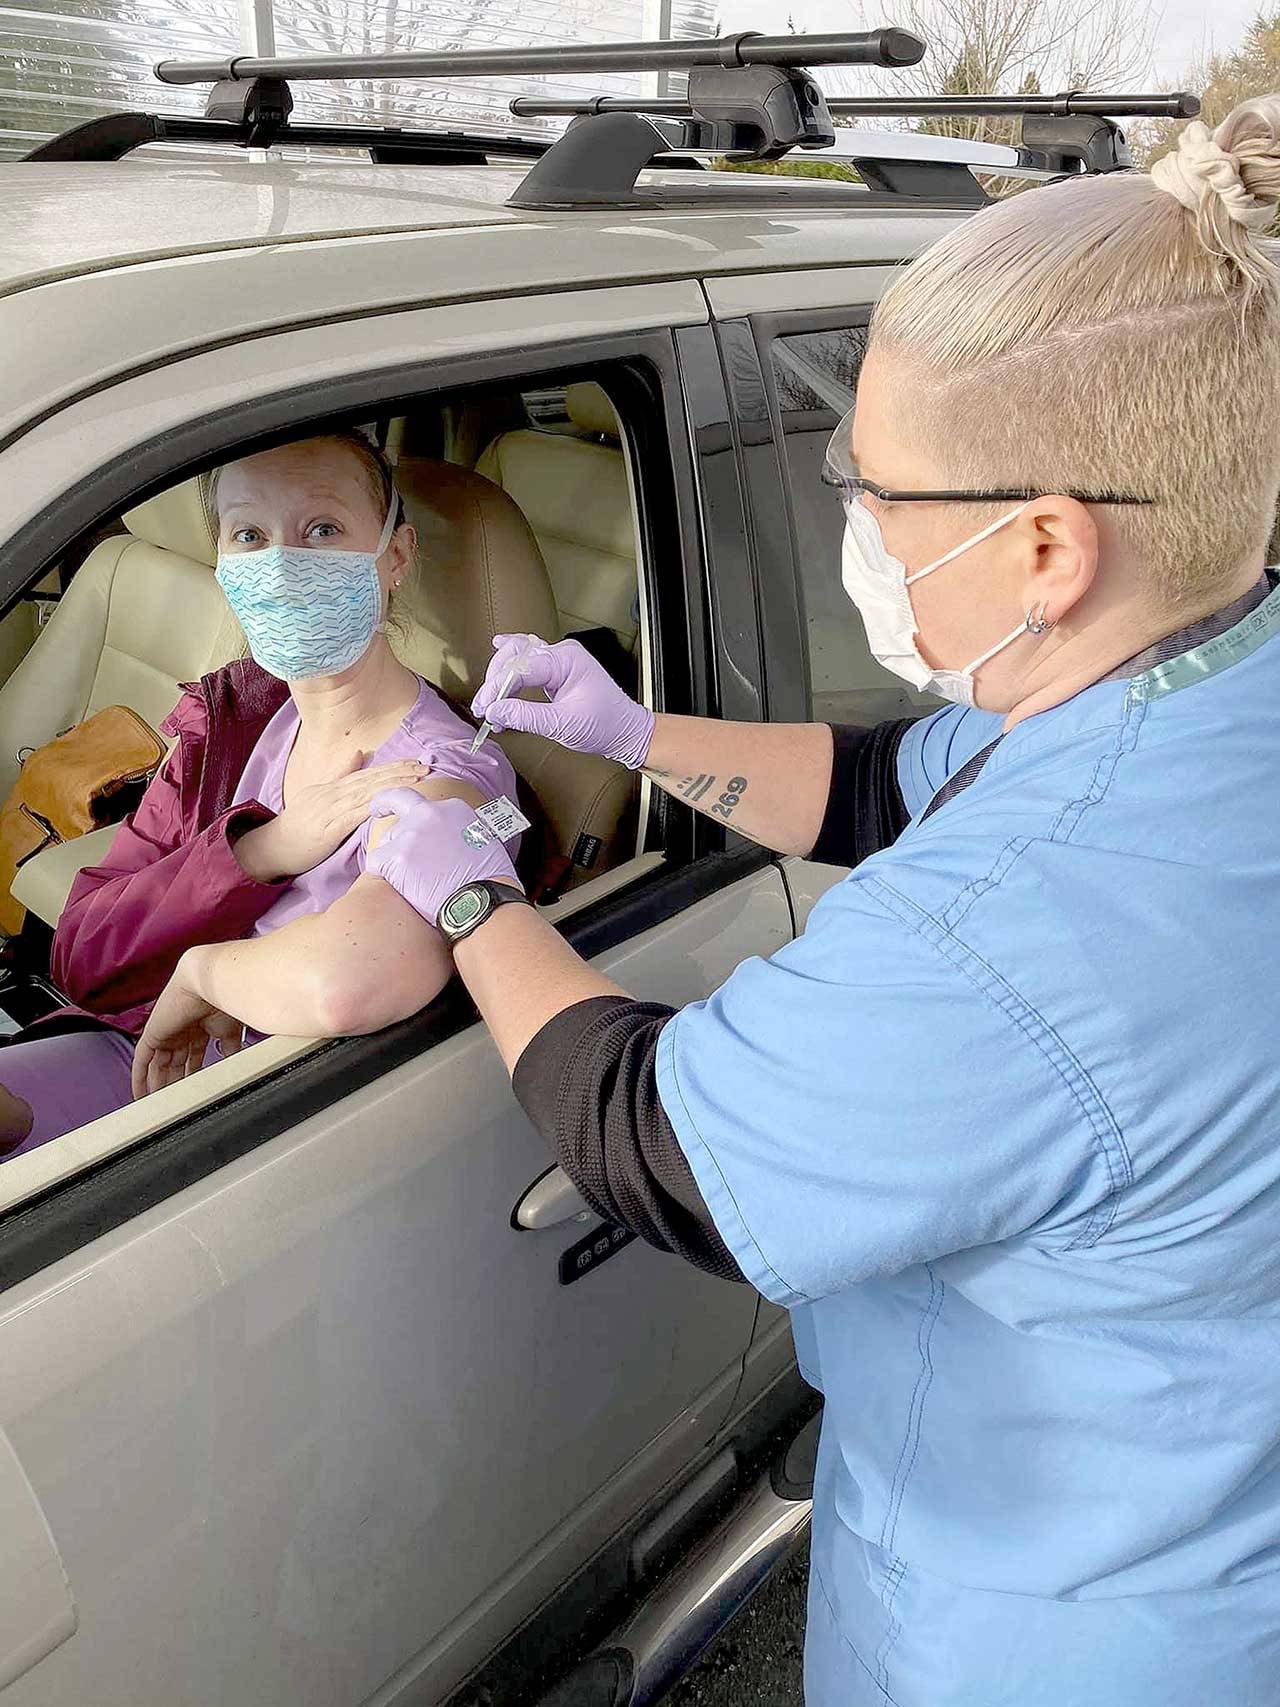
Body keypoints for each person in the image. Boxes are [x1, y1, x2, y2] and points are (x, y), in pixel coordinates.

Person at [355, 98, 1280, 1705]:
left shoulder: (1004, 933)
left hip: (1055, 1629)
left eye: (879, 491)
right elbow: (888, 782)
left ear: (1046, 543)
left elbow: (652, 1137)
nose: (853, 517)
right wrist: (632, 733)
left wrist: (461, 888)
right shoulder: (1206, 669)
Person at [0, 431, 517, 1160]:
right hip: (138, 1063)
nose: (281, 564)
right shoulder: (228, 722)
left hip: (259, 1128)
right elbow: (82, 953)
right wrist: (257, 849)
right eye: (249, 534)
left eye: (323, 529)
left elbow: (353, 973)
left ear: (395, 558)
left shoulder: (450, 767)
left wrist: (201, 970)